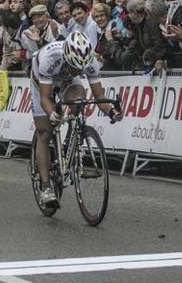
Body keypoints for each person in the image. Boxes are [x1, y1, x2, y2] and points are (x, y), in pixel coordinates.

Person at [31, 31, 123, 206]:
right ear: (66, 56)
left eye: (80, 68)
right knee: (45, 132)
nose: (78, 70)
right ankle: (45, 186)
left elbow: (99, 98)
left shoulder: (89, 63)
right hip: (41, 79)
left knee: (79, 101)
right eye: (74, 66)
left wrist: (112, 112)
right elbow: (45, 98)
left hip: (67, 80)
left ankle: (69, 145)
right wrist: (53, 114)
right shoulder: (49, 59)